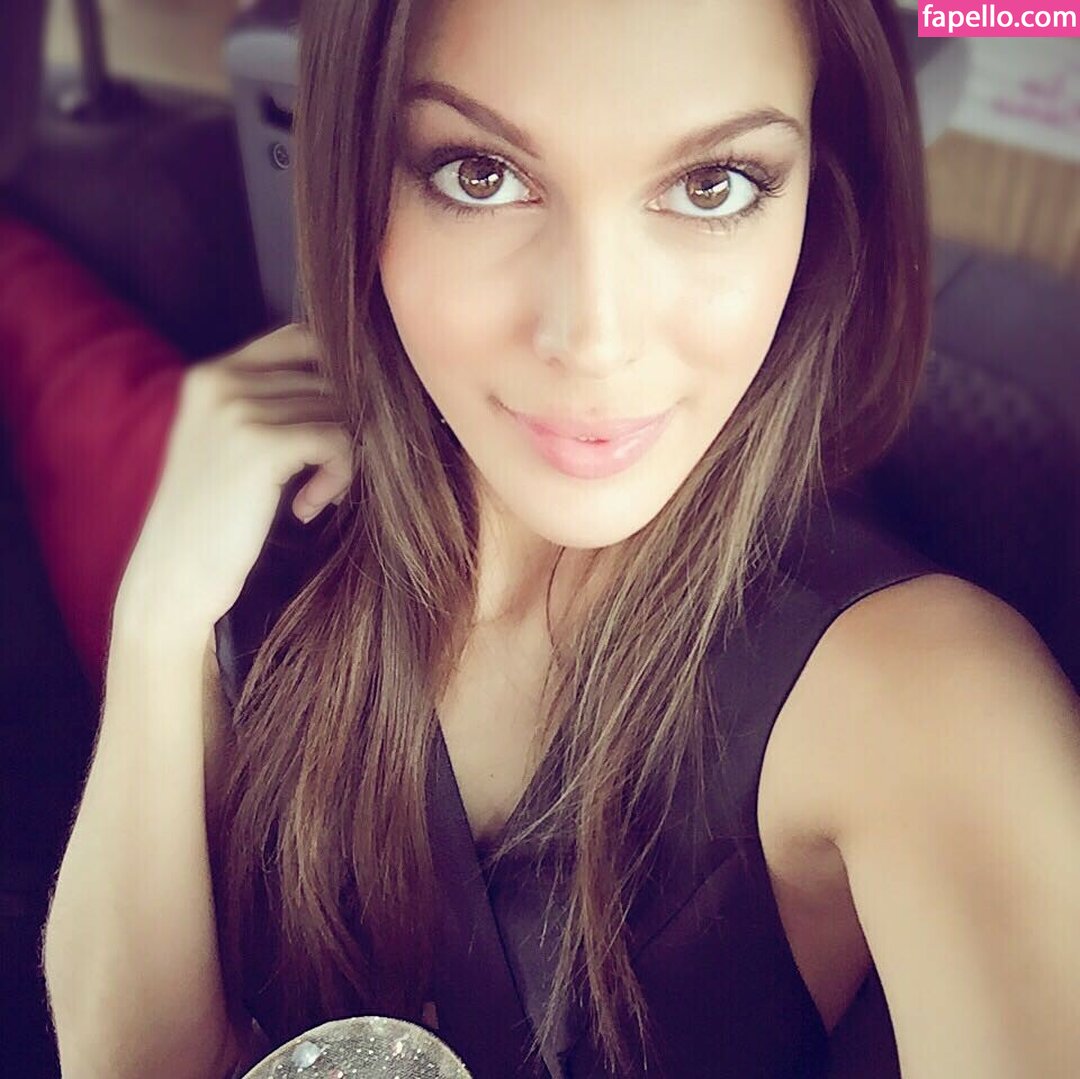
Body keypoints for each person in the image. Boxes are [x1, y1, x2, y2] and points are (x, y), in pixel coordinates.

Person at [42, 0, 1080, 1076]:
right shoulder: (279, 531)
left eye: (713, 185)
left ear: (823, 199)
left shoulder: (933, 704)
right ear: (355, 171)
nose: (593, 339)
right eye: (480, 174)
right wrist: (157, 618)